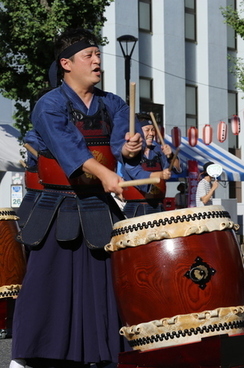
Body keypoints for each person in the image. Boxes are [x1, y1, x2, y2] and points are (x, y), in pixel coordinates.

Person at [10, 29, 143, 368]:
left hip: (98, 204)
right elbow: (69, 147)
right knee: (47, 283)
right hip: (56, 205)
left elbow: (122, 147)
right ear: (66, 64)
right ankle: (31, 358)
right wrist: (106, 173)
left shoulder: (114, 103)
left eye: (98, 55)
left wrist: (128, 150)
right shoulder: (49, 104)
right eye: (89, 56)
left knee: (103, 284)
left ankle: (102, 354)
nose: (97, 61)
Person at [119, 113, 182, 217]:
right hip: (136, 205)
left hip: (158, 204)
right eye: (147, 130)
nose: (151, 133)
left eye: (153, 130)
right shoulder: (129, 151)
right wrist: (161, 174)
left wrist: (170, 155)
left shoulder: (158, 150)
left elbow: (177, 169)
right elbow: (137, 173)